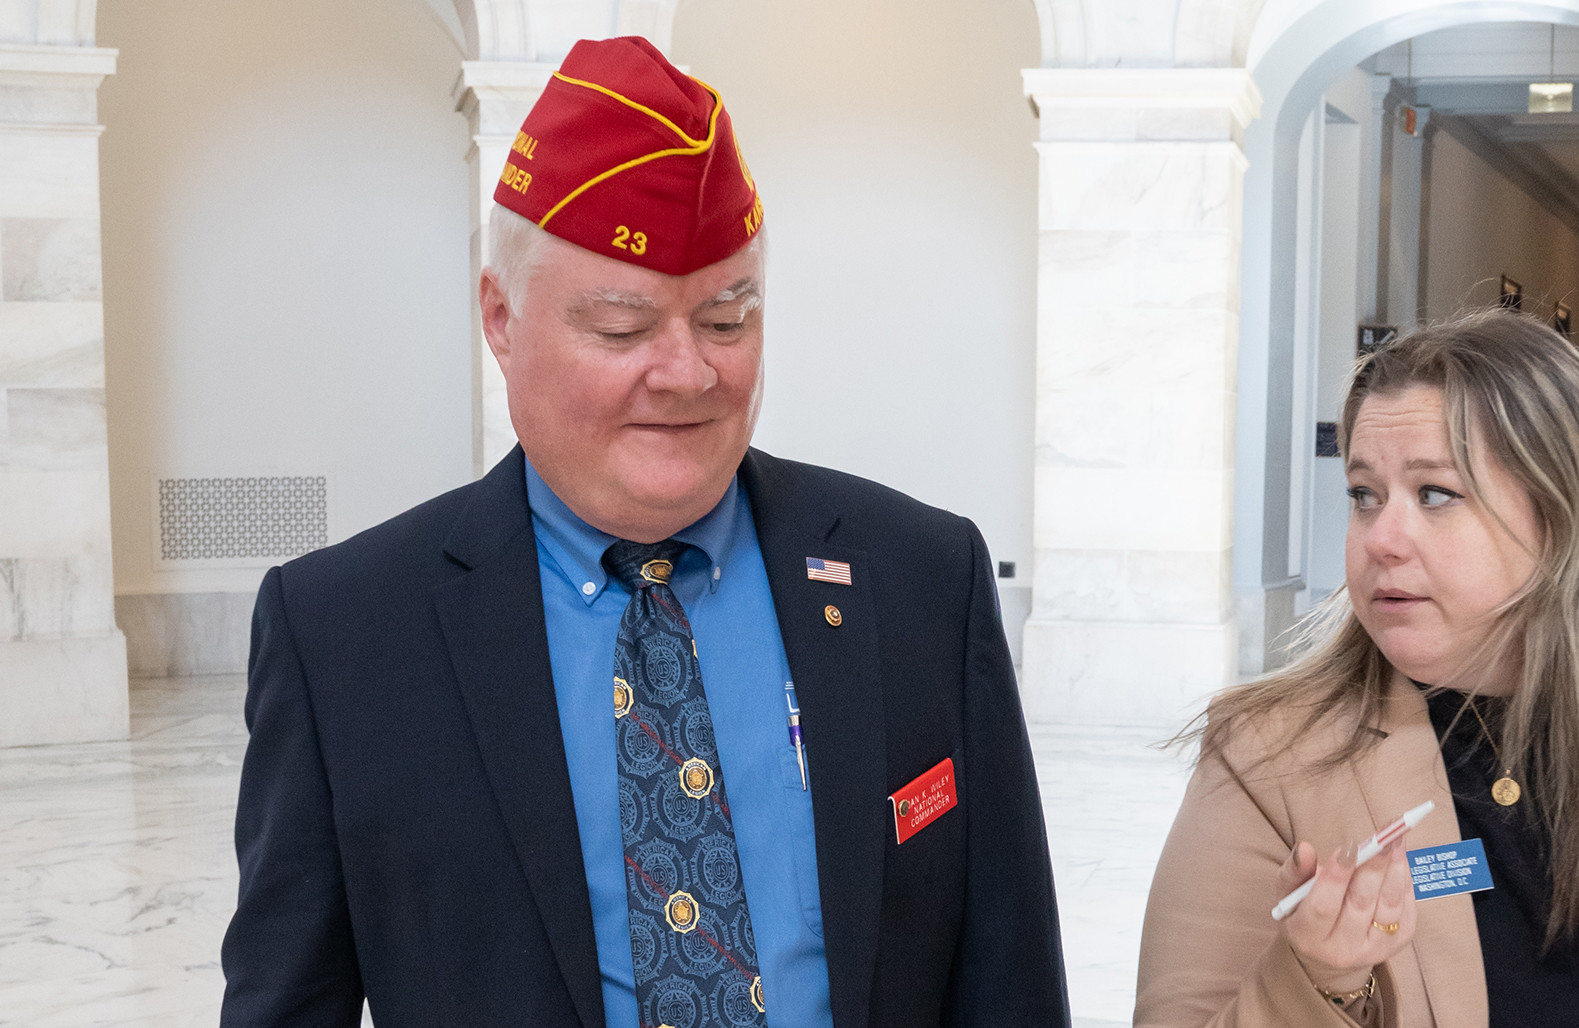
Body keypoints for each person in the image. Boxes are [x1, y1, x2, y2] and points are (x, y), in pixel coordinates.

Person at [219, 36, 1070, 1028]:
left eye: (726, 318)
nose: (687, 374)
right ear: (501, 317)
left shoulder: (920, 579)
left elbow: (1010, 983)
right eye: (623, 329)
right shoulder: (345, 635)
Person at [1132, 309, 1579, 1028]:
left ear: (1563, 516)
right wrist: (1320, 980)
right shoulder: (1266, 754)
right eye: (1363, 495)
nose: (1380, 538)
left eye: (1434, 494)